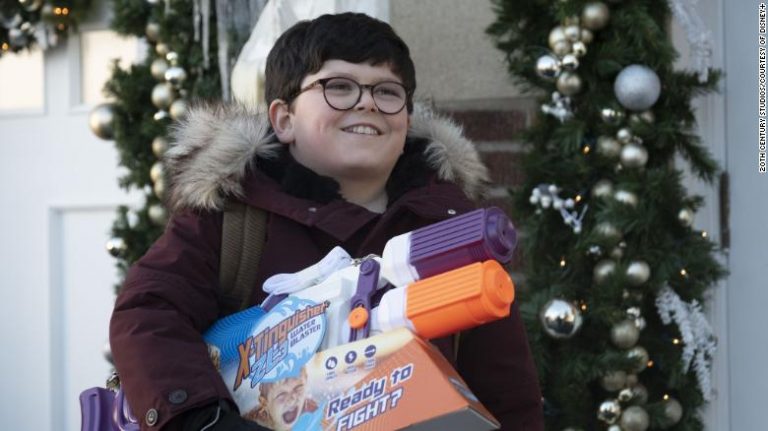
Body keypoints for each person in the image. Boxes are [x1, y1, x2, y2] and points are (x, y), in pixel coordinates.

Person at [110, 12, 543, 431]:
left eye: (387, 91)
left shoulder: (449, 230)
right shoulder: (232, 218)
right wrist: (204, 420)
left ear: (407, 119)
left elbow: (508, 399)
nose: (367, 103)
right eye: (338, 87)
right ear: (284, 119)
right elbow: (148, 313)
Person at [246, 368, 318, 430]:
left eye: (298, 388)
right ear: (264, 403)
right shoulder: (254, 423)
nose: (292, 399)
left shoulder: (311, 409)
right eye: (282, 395)